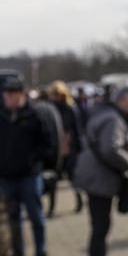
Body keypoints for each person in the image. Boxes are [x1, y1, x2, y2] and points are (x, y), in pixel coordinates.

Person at [74, 84, 128, 256]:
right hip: (99, 179)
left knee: (101, 227)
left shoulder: (105, 113)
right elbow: (110, 149)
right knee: (100, 228)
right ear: (122, 100)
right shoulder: (113, 118)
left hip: (95, 177)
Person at [0, 75, 52, 256]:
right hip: (7, 177)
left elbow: (47, 143)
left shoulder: (35, 116)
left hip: (29, 176)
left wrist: (33, 160)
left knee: (36, 216)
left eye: (12, 93)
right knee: (13, 218)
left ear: (22, 95)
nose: (8, 97)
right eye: (6, 93)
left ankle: (41, 253)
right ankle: (18, 254)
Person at [46, 80, 83, 216]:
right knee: (52, 180)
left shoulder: (70, 108)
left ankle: (79, 201)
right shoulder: (50, 108)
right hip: (56, 149)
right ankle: (51, 207)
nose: (56, 96)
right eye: (54, 94)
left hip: (69, 146)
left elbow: (77, 129)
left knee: (73, 178)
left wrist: (79, 149)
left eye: (58, 94)